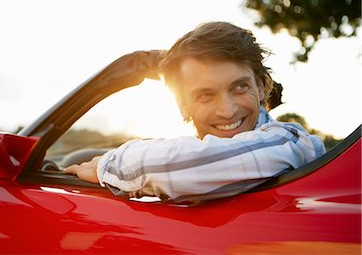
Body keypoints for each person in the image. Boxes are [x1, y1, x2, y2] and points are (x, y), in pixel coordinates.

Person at [64, 21, 326, 202]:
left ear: (261, 86)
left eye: (239, 87)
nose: (226, 110)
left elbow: (199, 163)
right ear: (183, 105)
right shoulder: (194, 156)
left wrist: (106, 166)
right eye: (205, 94)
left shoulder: (290, 140)